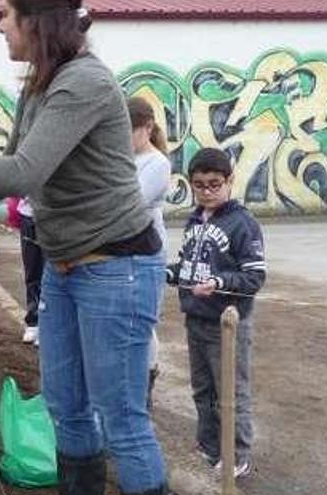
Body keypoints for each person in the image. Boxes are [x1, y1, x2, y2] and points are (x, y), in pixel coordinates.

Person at [0, 1, 172, 493]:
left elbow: (24, 172)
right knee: (66, 408)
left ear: (38, 20)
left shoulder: (84, 82)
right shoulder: (39, 84)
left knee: (122, 421)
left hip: (117, 267)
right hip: (65, 268)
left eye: (8, 12)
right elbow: (11, 169)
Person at [166, 148, 266, 479]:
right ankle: (209, 444)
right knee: (202, 389)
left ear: (229, 181)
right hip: (195, 318)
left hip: (228, 325)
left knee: (231, 392)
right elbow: (185, 265)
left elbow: (254, 276)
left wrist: (220, 281)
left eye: (214, 184)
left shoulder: (244, 224)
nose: (207, 192)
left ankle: (237, 453)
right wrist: (166, 272)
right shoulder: (194, 220)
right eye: (199, 185)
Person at [128, 96, 172, 409]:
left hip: (146, 249)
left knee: (142, 322)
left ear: (146, 127)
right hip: (123, 247)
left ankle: (146, 379)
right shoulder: (124, 158)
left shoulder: (157, 163)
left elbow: (131, 204)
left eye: (129, 130)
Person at [17, 197, 43, 345]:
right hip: (28, 215)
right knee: (32, 271)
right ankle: (33, 321)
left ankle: (46, 325)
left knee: (49, 273)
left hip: (51, 216)